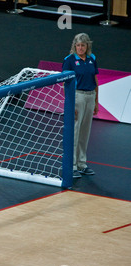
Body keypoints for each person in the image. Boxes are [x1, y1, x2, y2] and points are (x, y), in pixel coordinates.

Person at [62, 33, 99, 179]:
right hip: (77, 96)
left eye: (83, 45)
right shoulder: (69, 60)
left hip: (90, 96)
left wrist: (96, 101)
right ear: (74, 46)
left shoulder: (92, 59)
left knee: (85, 131)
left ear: (87, 46)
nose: (80, 48)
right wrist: (70, 104)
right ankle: (72, 166)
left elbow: (95, 80)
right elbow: (66, 83)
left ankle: (82, 164)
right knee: (75, 132)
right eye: (78, 45)